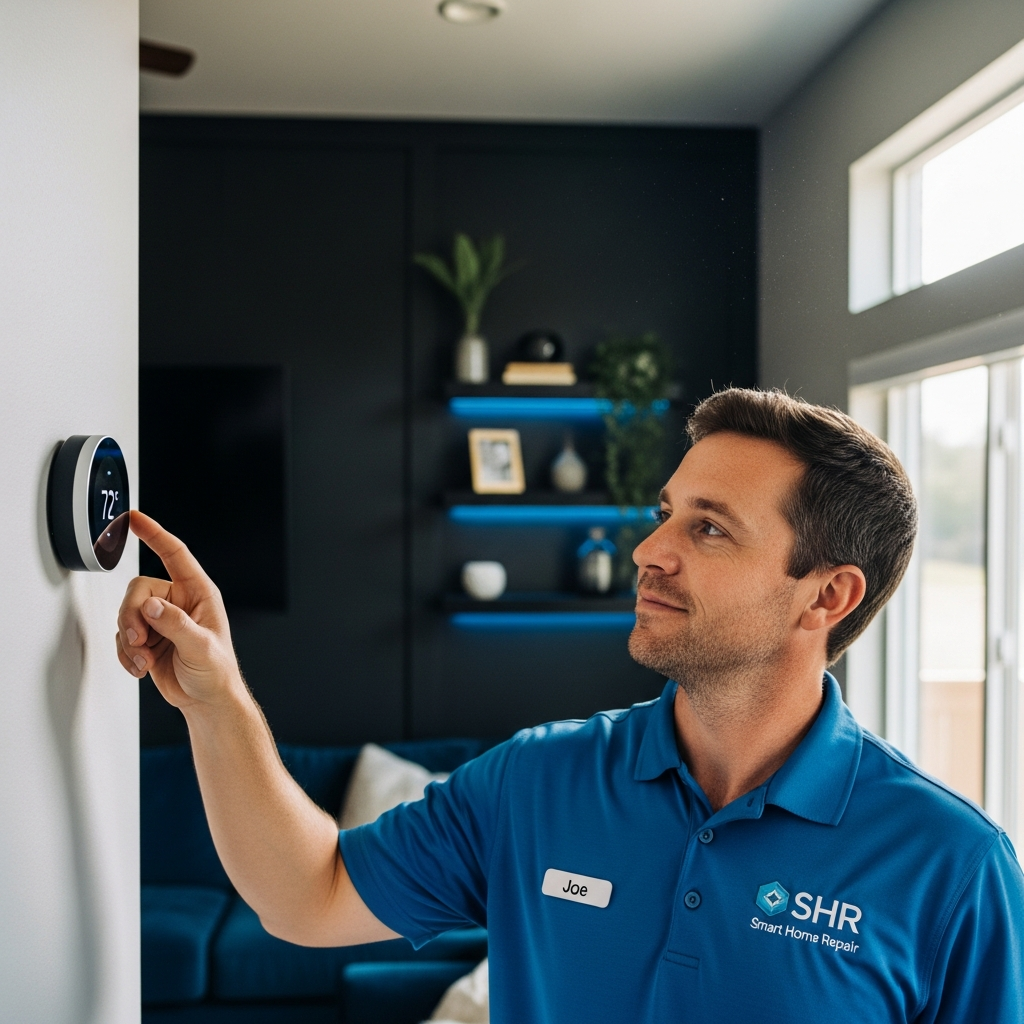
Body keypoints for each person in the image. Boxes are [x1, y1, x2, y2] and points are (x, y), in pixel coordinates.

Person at [117, 388, 1023, 1023]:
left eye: (708, 528)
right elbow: (306, 898)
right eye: (665, 512)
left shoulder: (954, 867)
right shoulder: (534, 779)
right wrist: (216, 697)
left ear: (826, 597)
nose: (648, 550)